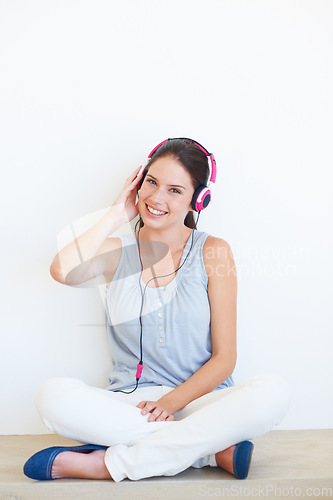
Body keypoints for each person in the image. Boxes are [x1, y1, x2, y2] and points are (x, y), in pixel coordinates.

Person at [23, 138, 292, 482]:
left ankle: (107, 465)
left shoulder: (213, 251)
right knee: (52, 396)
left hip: (202, 401)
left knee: (274, 391)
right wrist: (118, 213)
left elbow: (225, 358)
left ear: (198, 200)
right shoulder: (117, 252)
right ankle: (208, 451)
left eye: (175, 190)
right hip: (133, 405)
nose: (157, 198)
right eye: (151, 182)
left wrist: (172, 403)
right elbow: (62, 271)